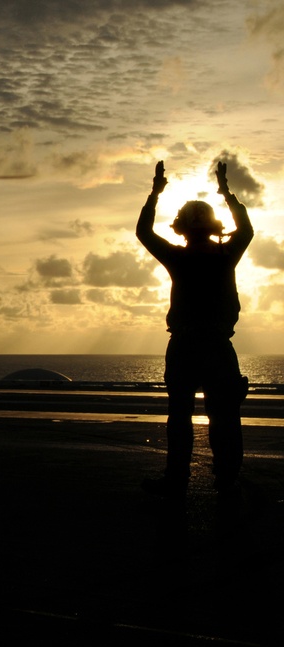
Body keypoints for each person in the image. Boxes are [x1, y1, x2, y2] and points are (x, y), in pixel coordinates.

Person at [135, 160, 253, 499]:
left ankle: (177, 481)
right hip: (216, 345)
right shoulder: (226, 253)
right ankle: (227, 481)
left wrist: (155, 194)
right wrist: (227, 193)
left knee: (181, 418)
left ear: (181, 228)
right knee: (224, 417)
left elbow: (144, 232)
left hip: (187, 345)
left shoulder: (178, 256)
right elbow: (246, 230)